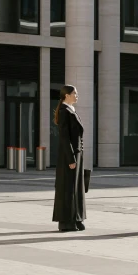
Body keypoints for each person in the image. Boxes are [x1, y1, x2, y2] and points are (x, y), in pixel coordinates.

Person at [52, 85, 86, 232]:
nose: (77, 96)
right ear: (66, 96)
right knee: (67, 188)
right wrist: (71, 159)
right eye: (74, 93)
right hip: (69, 155)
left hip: (77, 153)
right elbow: (65, 138)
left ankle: (77, 218)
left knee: (77, 187)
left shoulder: (71, 110)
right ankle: (66, 222)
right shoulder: (64, 111)